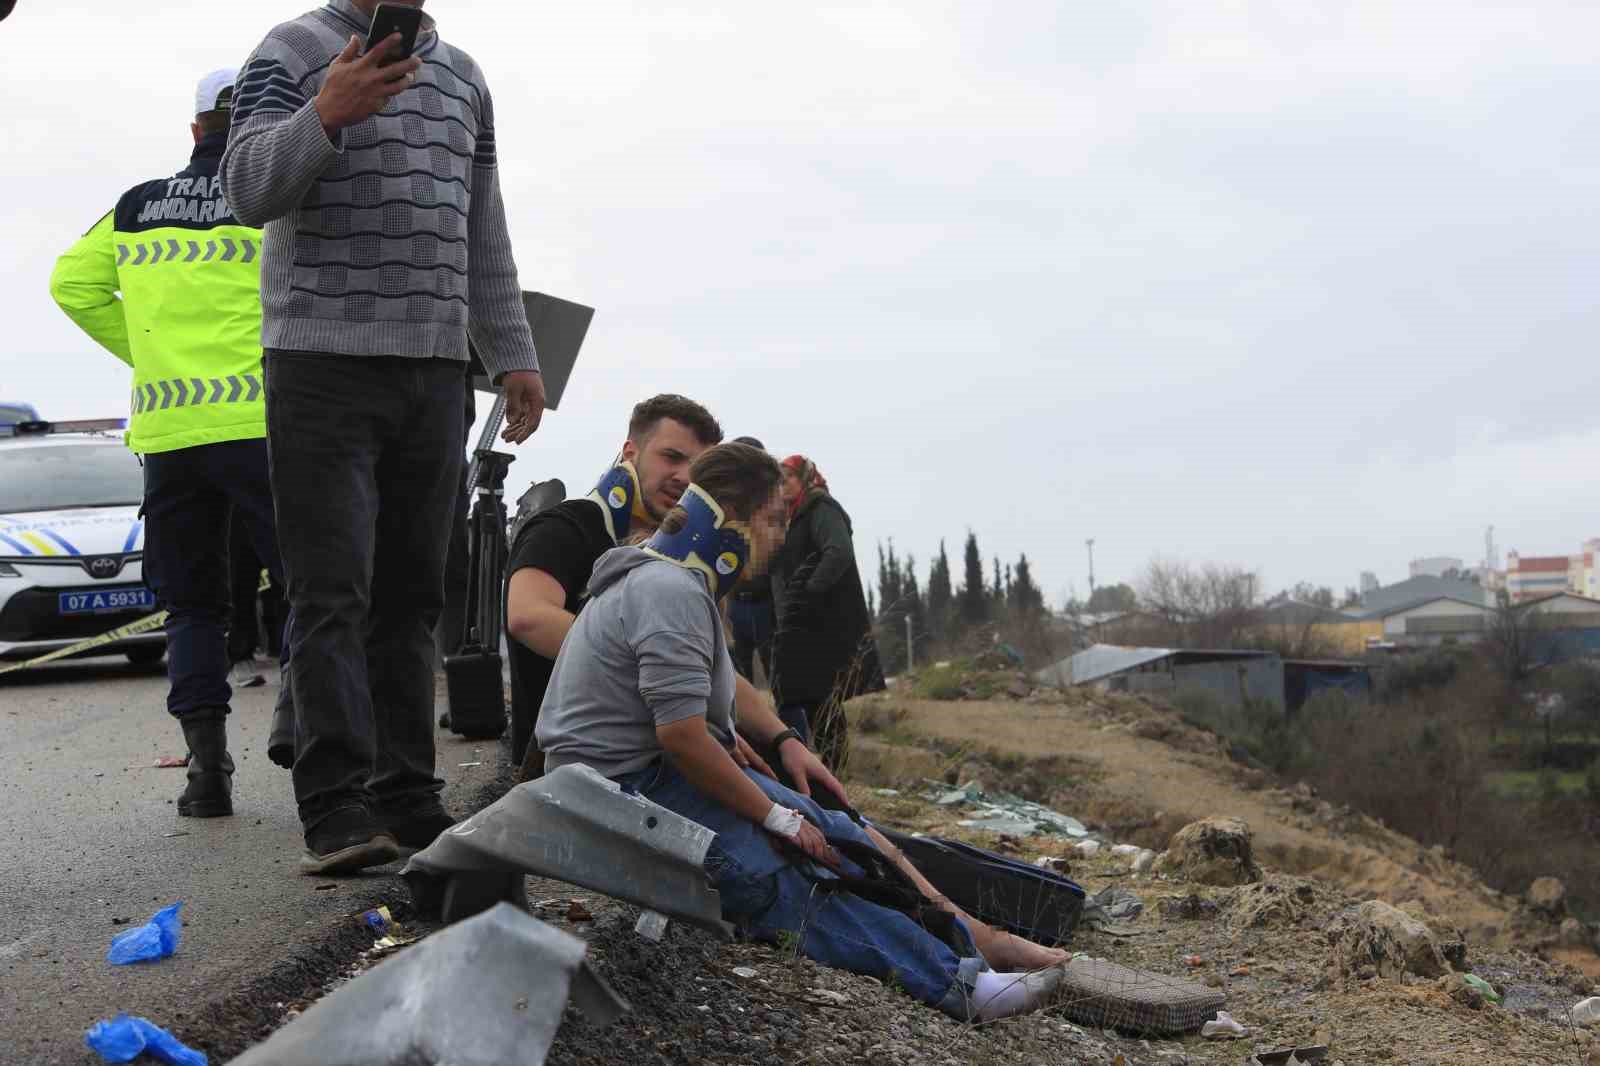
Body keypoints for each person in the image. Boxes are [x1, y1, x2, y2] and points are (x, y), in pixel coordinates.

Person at [536, 444, 1071, 1022]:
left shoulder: (668, 581)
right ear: (730, 521)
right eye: (771, 521)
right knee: (780, 874)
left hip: (640, 775)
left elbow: (673, 713)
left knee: (837, 827)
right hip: (617, 791)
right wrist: (774, 817)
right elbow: (680, 736)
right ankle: (957, 985)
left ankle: (978, 940)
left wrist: (755, 757)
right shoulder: (667, 591)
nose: (778, 540)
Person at [222, 0, 548, 874]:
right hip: (320, 362)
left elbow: (483, 229)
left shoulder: (466, 77)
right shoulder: (290, 50)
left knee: (414, 595)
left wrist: (512, 350)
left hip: (434, 369)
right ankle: (335, 803)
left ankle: (407, 791)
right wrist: (325, 112)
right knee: (333, 595)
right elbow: (247, 188)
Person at [49, 68, 284, 821]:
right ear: (251, 124)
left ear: (193, 130)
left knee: (192, 609)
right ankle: (305, 731)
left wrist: (152, 356)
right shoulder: (270, 203)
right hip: (263, 430)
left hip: (171, 437)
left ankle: (206, 773)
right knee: (311, 589)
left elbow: (70, 286)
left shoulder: (135, 206)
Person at [769, 455, 885, 770]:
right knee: (801, 695)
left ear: (806, 479)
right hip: (801, 625)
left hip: (820, 624)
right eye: (780, 480)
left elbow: (838, 551)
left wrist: (810, 592)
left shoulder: (821, 509)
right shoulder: (793, 517)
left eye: (790, 477)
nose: (784, 485)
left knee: (820, 698)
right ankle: (814, 768)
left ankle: (835, 771)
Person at [725, 436, 776, 684]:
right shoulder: (725, 503)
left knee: (782, 684)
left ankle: (793, 725)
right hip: (733, 604)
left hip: (768, 604)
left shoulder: (774, 505)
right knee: (734, 681)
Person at [226, 511, 286, 689]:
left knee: (286, 585)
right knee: (240, 586)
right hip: (238, 511)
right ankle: (241, 655)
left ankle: (291, 655)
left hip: (277, 504)